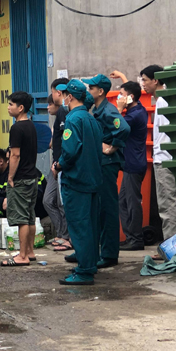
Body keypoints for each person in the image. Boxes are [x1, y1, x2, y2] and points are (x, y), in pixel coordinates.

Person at [54, 80, 103, 285]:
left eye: (65, 95)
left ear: (70, 97)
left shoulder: (73, 119)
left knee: (79, 226)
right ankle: (89, 263)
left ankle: (84, 271)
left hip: (77, 181)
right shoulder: (91, 119)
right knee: (90, 226)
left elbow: (71, 150)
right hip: (92, 179)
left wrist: (59, 165)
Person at [83, 74, 130, 269]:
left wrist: (112, 147)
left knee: (108, 209)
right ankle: (103, 251)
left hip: (107, 163)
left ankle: (110, 254)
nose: (89, 91)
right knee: (101, 208)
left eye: (91, 88)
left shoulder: (108, 110)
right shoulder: (99, 109)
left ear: (100, 91)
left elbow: (124, 128)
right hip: (101, 163)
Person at [0, 91, 41, 267]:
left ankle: (22, 256)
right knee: (30, 216)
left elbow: (15, 155)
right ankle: (30, 252)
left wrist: (10, 176)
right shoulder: (30, 125)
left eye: (11, 105)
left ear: (21, 108)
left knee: (22, 218)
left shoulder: (16, 128)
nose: (8, 108)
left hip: (21, 178)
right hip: (32, 177)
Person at [140, 66, 176, 240]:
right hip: (164, 158)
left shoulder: (163, 101)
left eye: (145, 80)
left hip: (164, 159)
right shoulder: (163, 100)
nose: (143, 85)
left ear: (155, 81)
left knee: (167, 206)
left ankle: (172, 248)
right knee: (168, 204)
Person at [113, 81, 149, 251]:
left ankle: (136, 239)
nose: (119, 97)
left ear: (130, 97)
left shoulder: (133, 116)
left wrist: (118, 110)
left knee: (132, 202)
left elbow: (118, 128)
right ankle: (130, 237)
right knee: (123, 202)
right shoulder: (138, 108)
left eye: (121, 94)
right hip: (131, 163)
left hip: (133, 164)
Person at [45, 78, 71, 251]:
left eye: (53, 92)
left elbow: (67, 144)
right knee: (48, 200)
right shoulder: (61, 114)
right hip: (57, 164)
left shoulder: (65, 112)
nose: (48, 105)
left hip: (62, 165)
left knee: (63, 203)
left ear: (59, 93)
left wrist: (59, 164)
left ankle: (68, 237)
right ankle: (62, 234)